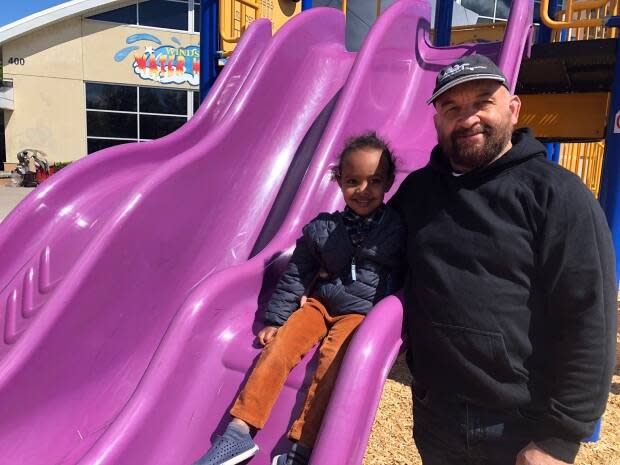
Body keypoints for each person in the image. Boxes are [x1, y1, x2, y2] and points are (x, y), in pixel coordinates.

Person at [389, 54, 617, 465]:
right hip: (435, 414)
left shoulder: (557, 195)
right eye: (451, 108)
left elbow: (589, 317)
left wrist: (559, 440)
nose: (468, 118)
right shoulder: (417, 193)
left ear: (513, 109)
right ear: (437, 120)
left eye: (482, 102)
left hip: (518, 425)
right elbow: (377, 258)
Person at [193, 132, 405, 465]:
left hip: (360, 313)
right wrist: (277, 319)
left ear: (389, 182)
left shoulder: (396, 229)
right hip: (321, 303)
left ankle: (301, 448)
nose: (364, 190)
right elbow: (297, 273)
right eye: (353, 181)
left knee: (332, 363)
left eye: (375, 181)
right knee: (280, 347)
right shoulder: (323, 228)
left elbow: (408, 271)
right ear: (338, 181)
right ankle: (238, 432)